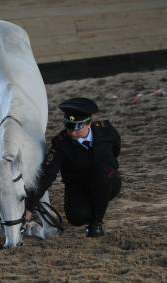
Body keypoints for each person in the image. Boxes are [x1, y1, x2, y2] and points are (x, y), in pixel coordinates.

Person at [26, 97, 122, 237]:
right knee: (76, 217)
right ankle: (94, 206)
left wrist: (110, 169)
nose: (72, 133)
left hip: (107, 180)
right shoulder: (61, 144)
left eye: (77, 128)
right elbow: (47, 175)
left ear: (89, 123)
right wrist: (29, 206)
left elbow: (116, 149)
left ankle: (96, 224)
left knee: (101, 171)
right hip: (79, 187)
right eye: (69, 127)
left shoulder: (106, 130)